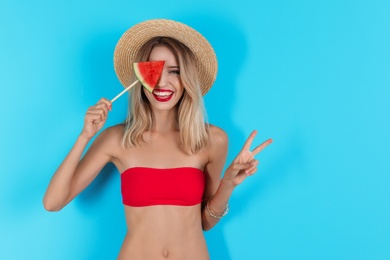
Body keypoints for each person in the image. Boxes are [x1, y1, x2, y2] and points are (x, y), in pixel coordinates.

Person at [43, 19, 272, 259]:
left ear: (187, 79)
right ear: (140, 79)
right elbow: (53, 203)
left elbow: (205, 222)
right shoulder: (116, 139)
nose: (162, 82)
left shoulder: (212, 139)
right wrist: (85, 136)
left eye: (174, 71)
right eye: (154, 71)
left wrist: (228, 184)